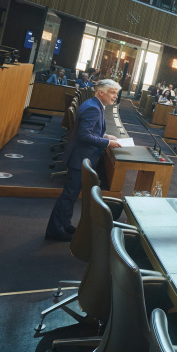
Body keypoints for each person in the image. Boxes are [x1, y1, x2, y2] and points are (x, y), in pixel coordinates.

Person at [45, 79, 122, 241]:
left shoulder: (94, 104)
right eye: (112, 92)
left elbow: (88, 130)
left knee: (71, 195)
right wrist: (108, 142)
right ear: (101, 92)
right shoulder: (93, 108)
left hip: (81, 156)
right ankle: (54, 230)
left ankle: (64, 224)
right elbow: (84, 135)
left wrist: (105, 136)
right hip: (80, 158)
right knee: (69, 195)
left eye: (116, 93)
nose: (115, 96)